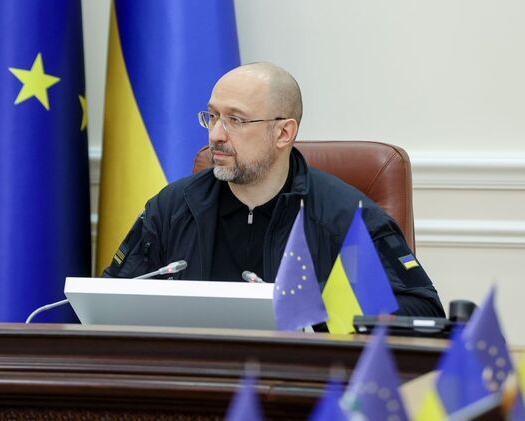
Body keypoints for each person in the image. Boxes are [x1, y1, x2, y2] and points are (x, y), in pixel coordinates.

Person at [102, 62, 444, 318]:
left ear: (283, 133)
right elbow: (107, 301)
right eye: (213, 116)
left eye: (236, 120)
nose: (216, 134)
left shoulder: (343, 217)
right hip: (197, 382)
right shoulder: (173, 207)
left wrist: (311, 307)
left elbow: (421, 309)